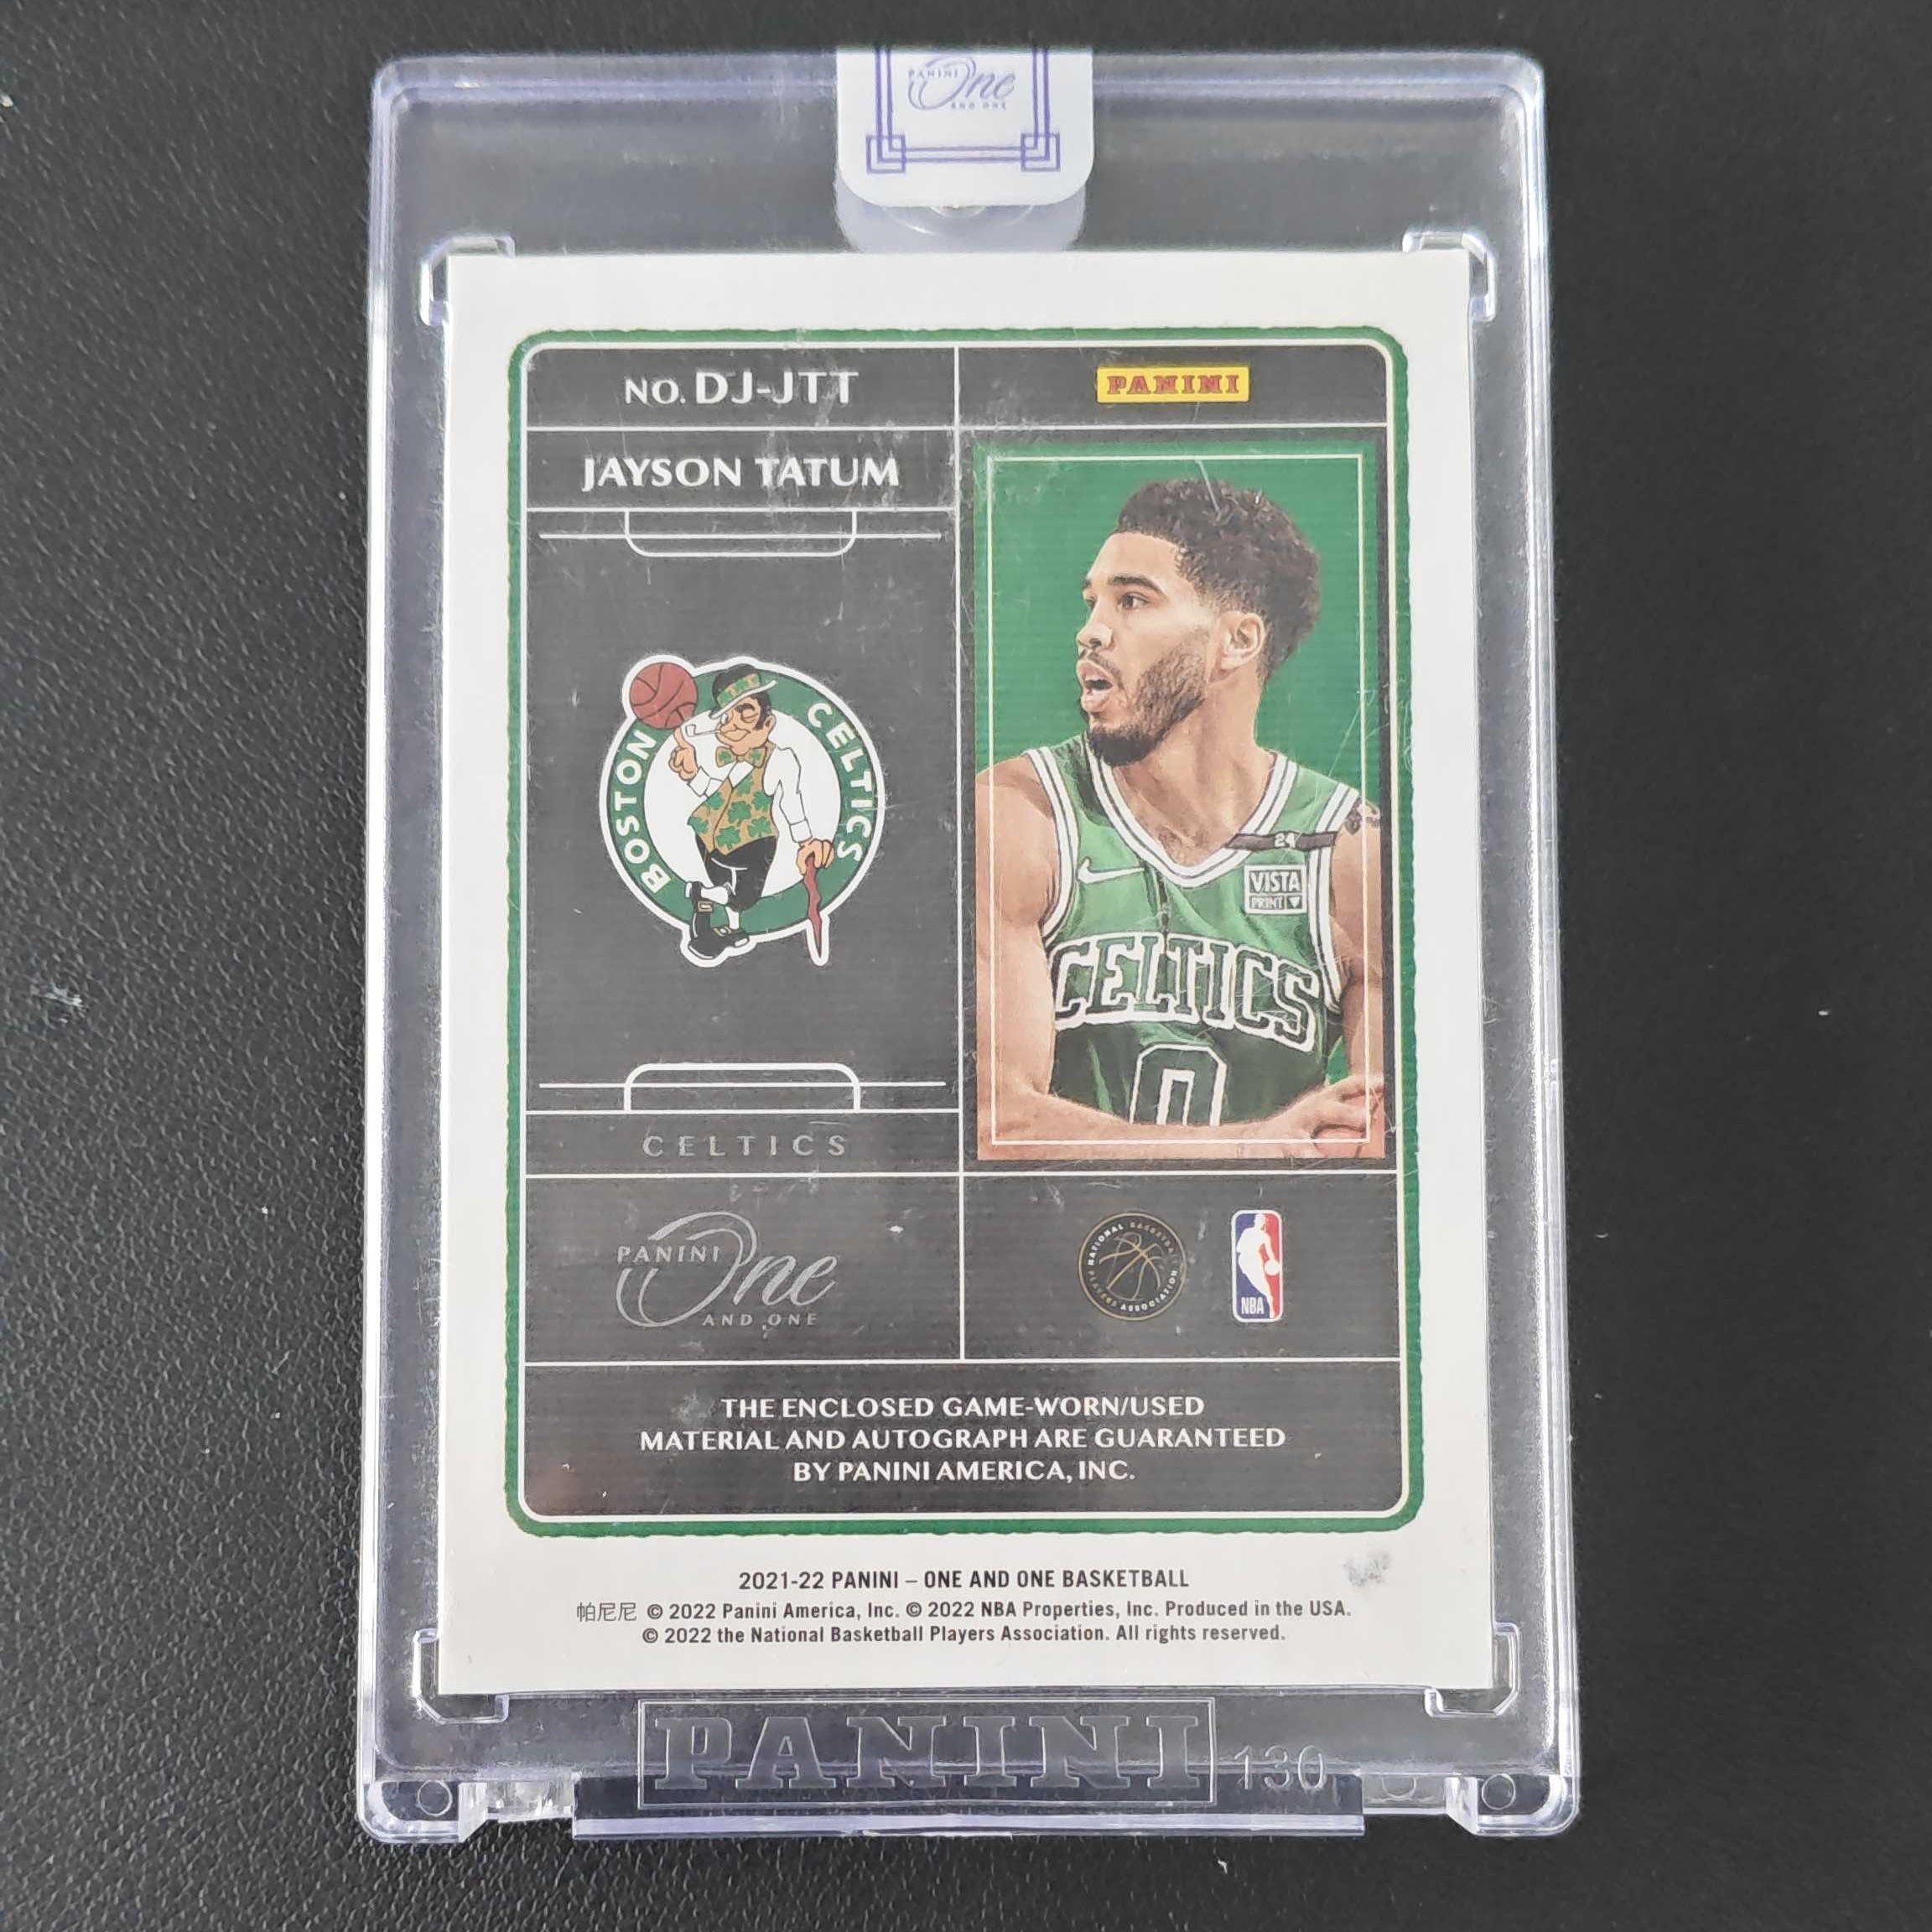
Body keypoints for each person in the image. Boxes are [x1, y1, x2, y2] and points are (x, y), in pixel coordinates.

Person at [977, 479, 1385, 1159]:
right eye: (1092, 601)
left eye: (1132, 600)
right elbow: (996, 1121)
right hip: (1069, 1216)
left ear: (1237, 641)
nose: (1091, 630)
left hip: (1266, 1220)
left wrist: (1314, 1147)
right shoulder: (1022, 813)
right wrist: (1254, 1146)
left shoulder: (1345, 849)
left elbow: (1379, 1135)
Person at [668, 662, 834, 964]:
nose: (732, 725)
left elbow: (791, 802)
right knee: (737, 895)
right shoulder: (736, 762)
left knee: (739, 895)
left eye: (745, 713)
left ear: (767, 723)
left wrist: (806, 840)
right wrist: (692, 773)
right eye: (726, 717)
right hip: (713, 836)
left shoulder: (781, 759)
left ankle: (722, 917)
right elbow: (716, 793)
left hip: (743, 841)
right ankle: (708, 903)